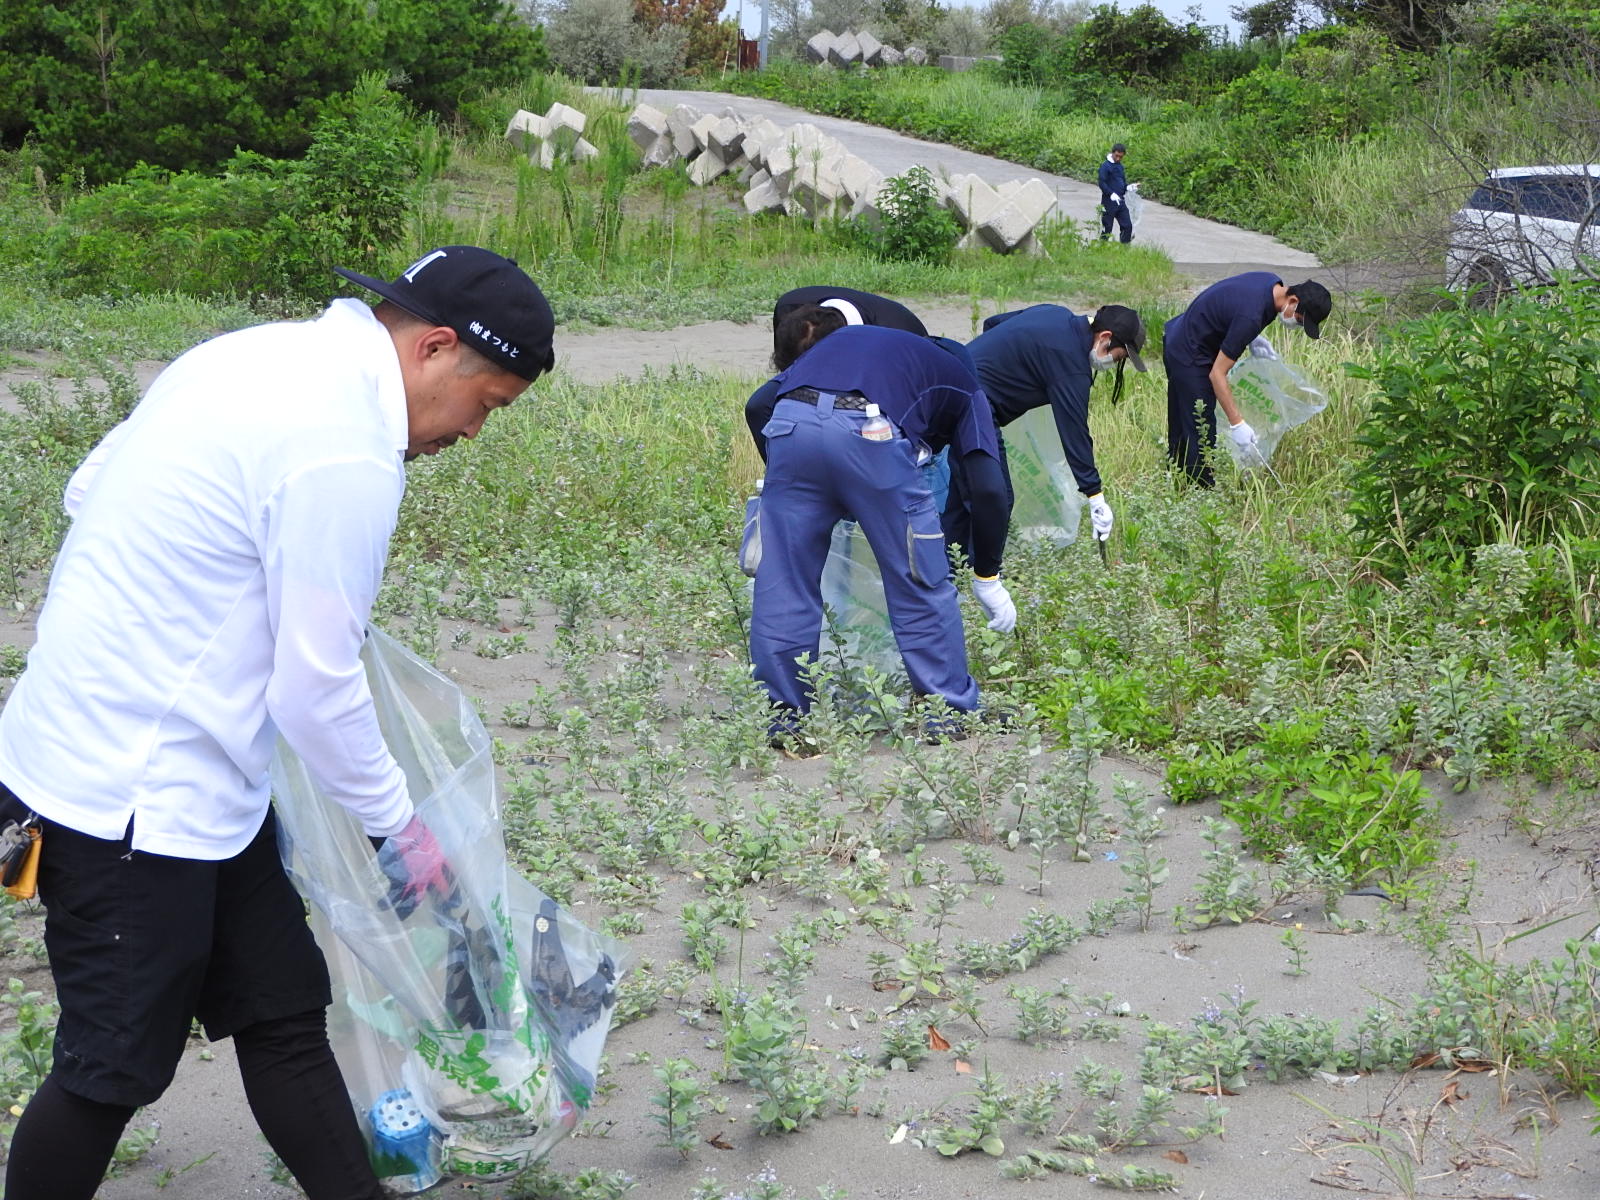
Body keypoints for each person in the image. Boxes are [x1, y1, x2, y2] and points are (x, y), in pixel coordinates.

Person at [0, 245, 555, 1200]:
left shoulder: (250, 355)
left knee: (280, 1009)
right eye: (488, 405)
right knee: (113, 1065)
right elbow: (314, 689)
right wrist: (401, 830)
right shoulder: (344, 446)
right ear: (433, 348)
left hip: (184, 770)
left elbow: (86, 490)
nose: (472, 433)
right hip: (128, 792)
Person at [747, 313, 1014, 746]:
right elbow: (986, 488)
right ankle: (947, 712)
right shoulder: (965, 384)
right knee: (919, 577)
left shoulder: (849, 341)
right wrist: (988, 574)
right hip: (870, 431)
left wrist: (810, 478)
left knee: (784, 582)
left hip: (790, 424)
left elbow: (758, 405)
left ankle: (785, 717)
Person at [942, 302, 1147, 557]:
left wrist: (1000, 364)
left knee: (966, 493)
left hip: (949, 385)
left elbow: (993, 324)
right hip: (971, 406)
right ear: (1105, 337)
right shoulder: (1071, 364)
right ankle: (983, 577)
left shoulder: (1054, 313)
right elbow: (1075, 433)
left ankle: (949, 570)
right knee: (995, 498)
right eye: (1118, 357)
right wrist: (1094, 495)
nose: (1112, 364)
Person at [1163, 272, 1333, 486]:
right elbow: (1217, 375)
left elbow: (1232, 304)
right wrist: (1238, 424)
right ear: (1293, 301)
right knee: (1201, 428)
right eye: (1299, 321)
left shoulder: (1271, 283)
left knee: (1185, 422)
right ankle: (1200, 493)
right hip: (1189, 351)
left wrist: (1250, 339)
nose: (1296, 326)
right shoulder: (1251, 316)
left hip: (1181, 332)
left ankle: (1174, 481)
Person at [1098, 142, 1133, 245]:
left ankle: (1124, 248)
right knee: (1107, 227)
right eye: (1116, 156)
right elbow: (1102, 183)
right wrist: (1110, 193)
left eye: (1120, 157)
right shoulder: (1105, 166)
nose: (1118, 159)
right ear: (1112, 153)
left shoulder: (1120, 167)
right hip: (1109, 201)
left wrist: (1128, 187)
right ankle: (1101, 248)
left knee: (1127, 225)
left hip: (1120, 201)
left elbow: (1121, 182)